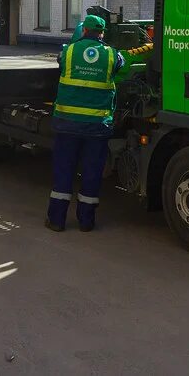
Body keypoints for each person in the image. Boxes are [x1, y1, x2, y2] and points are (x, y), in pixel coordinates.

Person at [46, 14, 124, 233]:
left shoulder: (68, 52)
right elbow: (122, 64)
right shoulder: (111, 55)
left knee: (63, 171)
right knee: (91, 173)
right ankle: (86, 222)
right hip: (96, 127)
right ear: (101, 33)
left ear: (83, 31)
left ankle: (57, 220)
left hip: (67, 124)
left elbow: (60, 62)